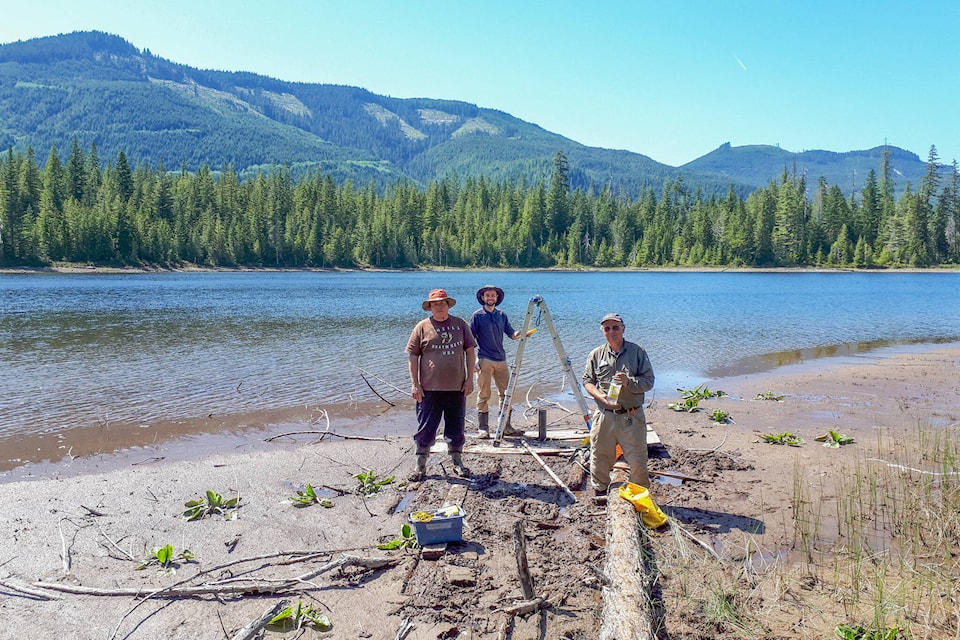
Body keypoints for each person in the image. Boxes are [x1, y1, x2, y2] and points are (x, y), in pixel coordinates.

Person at [582, 313, 655, 502]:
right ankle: (600, 495)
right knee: (599, 457)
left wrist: (628, 382)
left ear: (623, 328)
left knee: (638, 461)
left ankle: (641, 499)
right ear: (602, 331)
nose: (611, 331)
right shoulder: (596, 354)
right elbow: (588, 381)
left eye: (615, 327)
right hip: (604, 416)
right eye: (607, 328)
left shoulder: (637, 352)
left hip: (631, 417)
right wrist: (600, 396)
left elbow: (648, 382)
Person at [406, 288, 477, 481]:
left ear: (448, 305)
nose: (439, 307)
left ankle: (457, 461)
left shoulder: (460, 324)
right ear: (430, 307)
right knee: (426, 428)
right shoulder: (422, 327)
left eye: (442, 303)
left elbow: (470, 352)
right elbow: (413, 357)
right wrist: (415, 385)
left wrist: (470, 379)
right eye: (435, 304)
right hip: (429, 389)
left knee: (456, 427)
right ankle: (420, 464)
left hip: (457, 388)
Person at [469, 284, 525, 439]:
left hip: (501, 360)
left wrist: (520, 334)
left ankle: (505, 425)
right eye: (487, 295)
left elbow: (511, 333)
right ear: (482, 298)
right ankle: (483, 428)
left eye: (493, 295)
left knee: (507, 394)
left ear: (497, 298)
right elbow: (469, 340)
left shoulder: (502, 315)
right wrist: (473, 361)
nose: (490, 298)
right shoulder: (477, 316)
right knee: (484, 394)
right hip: (485, 359)